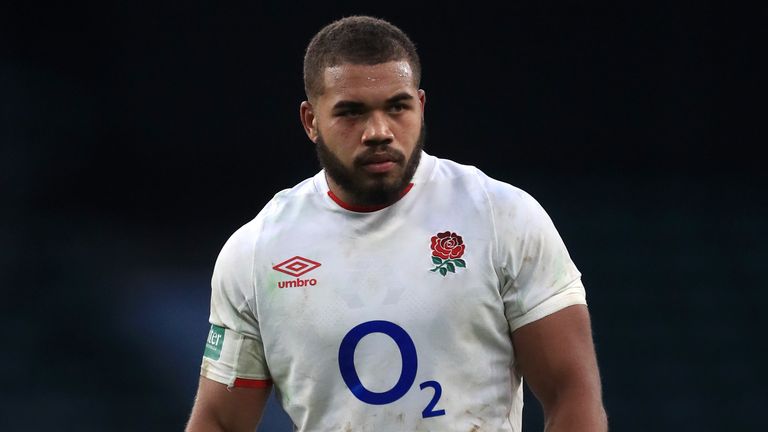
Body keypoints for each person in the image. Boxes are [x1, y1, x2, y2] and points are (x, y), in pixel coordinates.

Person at [186, 15, 607, 432]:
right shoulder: (257, 251)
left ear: (420, 106)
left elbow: (572, 393)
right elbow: (221, 421)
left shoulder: (502, 217)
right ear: (310, 121)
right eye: (351, 112)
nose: (378, 131)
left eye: (397, 107)